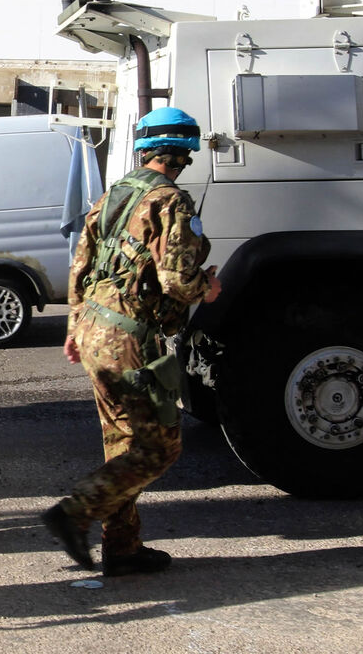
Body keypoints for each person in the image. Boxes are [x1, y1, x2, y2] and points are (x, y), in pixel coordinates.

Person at [42, 106, 221, 576]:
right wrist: (207, 285)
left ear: (145, 147)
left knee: (121, 444)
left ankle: (121, 547)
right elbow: (177, 282)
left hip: (95, 330)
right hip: (129, 338)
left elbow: (81, 261)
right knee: (160, 448)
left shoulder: (114, 193)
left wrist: (75, 328)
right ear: (183, 153)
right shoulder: (171, 202)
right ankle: (75, 512)